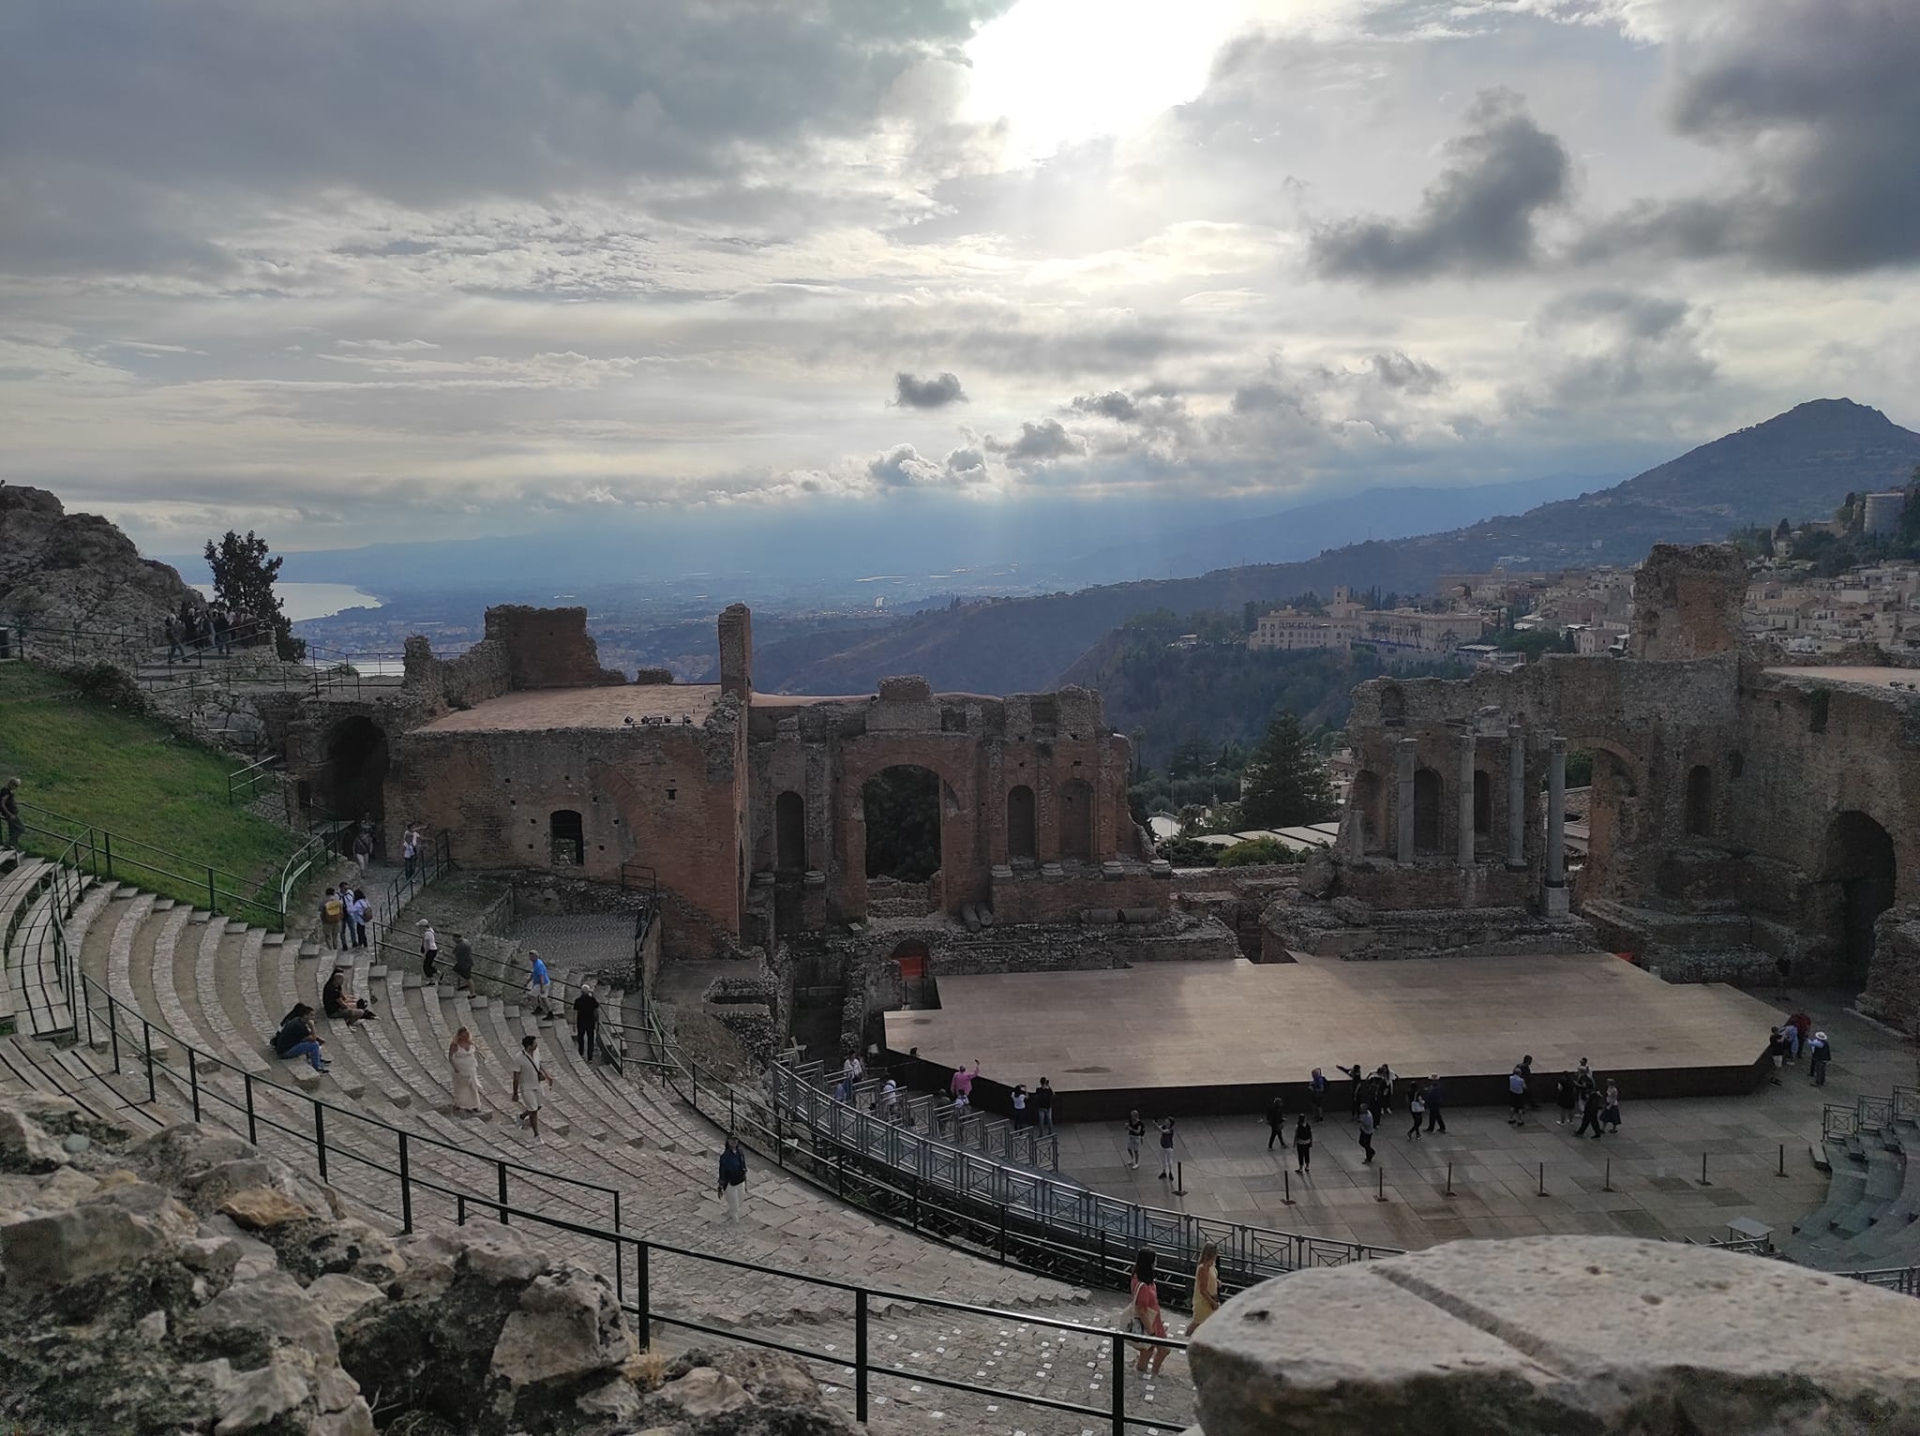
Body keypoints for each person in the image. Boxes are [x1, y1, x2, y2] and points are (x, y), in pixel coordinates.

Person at [1128, 1248, 1169, 1376]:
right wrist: (1151, 1331)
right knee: (1156, 1350)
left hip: (1153, 1320)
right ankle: (1149, 1374)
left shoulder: (1139, 1278)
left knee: (1149, 1351)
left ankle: (1150, 1373)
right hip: (1149, 1324)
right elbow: (1142, 1310)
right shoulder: (1143, 1285)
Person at [512, 1033, 552, 1142]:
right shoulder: (519, 1058)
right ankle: (536, 1136)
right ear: (529, 1046)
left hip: (537, 1085)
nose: (536, 1044)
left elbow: (539, 1064)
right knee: (533, 1111)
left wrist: (547, 1075)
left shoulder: (536, 1052)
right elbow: (516, 1076)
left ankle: (521, 1117)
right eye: (534, 1043)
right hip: (527, 1087)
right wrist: (515, 1092)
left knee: (538, 1107)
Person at [1187, 1243, 1221, 1337]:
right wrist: (1213, 1303)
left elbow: (1210, 1278)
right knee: (1197, 1322)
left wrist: (1216, 1281)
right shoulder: (1203, 1268)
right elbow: (1203, 1290)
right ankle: (1184, 1339)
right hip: (1204, 1301)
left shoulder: (1211, 1266)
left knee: (1203, 1323)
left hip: (1212, 1297)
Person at [448, 1027, 482, 1112]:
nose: (466, 1037)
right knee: (462, 1087)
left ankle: (475, 1104)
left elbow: (476, 1051)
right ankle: (461, 1104)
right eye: (464, 1036)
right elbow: (450, 1057)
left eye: (467, 1035)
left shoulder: (470, 1043)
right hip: (460, 1068)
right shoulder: (455, 1045)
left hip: (470, 1067)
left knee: (472, 1085)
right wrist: (455, 1068)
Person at [718, 1135, 748, 1222]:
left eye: (735, 1139)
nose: (734, 1142)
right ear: (728, 1141)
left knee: (740, 1202)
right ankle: (735, 1224)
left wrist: (745, 1182)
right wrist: (721, 1185)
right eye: (732, 1140)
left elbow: (744, 1167)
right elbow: (722, 1171)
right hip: (730, 1184)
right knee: (735, 1207)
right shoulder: (725, 1156)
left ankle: (729, 1213)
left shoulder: (740, 1153)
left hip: (740, 1181)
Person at [573, 985, 600, 1062]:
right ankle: (590, 1057)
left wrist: (574, 1023)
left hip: (581, 1022)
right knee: (590, 1039)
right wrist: (597, 1020)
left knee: (580, 1038)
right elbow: (596, 1011)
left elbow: (575, 1013)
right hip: (590, 1022)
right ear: (588, 991)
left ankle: (581, 1053)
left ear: (581, 992)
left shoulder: (577, 1000)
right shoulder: (592, 1000)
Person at [526, 950, 553, 1019]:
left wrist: (542, 987)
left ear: (535, 956)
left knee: (531, 996)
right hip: (542, 983)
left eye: (531, 957)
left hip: (542, 984)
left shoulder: (538, 965)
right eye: (530, 956)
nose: (530, 958)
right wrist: (528, 980)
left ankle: (540, 1008)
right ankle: (547, 1011)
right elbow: (534, 973)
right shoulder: (535, 963)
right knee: (543, 998)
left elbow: (541, 977)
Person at [0, 777, 21, 848]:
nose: (15, 787)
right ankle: (10, 843)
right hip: (10, 814)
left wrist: (17, 803)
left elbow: (9, 802)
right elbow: (2, 804)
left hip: (12, 813)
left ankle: (13, 845)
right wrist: (9, 814)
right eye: (15, 785)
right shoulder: (6, 791)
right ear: (11, 783)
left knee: (13, 829)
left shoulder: (8, 791)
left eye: (16, 786)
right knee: (20, 828)